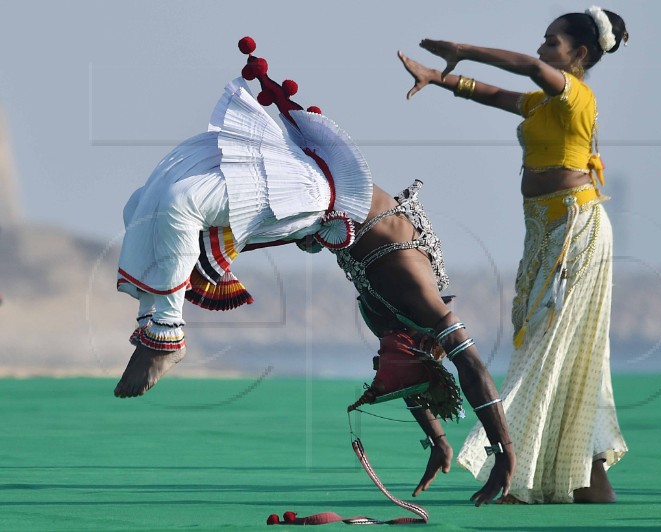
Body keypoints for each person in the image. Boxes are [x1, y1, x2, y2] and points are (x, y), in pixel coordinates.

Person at [113, 37, 514, 506]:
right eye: (401, 359)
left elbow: (404, 373)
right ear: (424, 341)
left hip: (312, 201)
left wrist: (438, 440)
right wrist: (504, 453)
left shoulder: (386, 320)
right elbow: (473, 367)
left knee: (157, 204)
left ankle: (156, 329)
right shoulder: (416, 296)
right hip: (318, 190)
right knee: (161, 205)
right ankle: (163, 335)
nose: (382, 365)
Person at [398, 6, 629, 504]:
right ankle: (581, 475)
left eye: (552, 42)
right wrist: (438, 78)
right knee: (548, 344)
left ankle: (512, 466)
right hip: (545, 231)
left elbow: (524, 67)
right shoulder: (544, 105)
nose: (543, 49)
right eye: (543, 42)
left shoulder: (575, 97)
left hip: (576, 231)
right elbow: (495, 94)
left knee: (546, 344)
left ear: (579, 54)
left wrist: (464, 50)